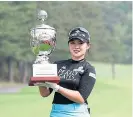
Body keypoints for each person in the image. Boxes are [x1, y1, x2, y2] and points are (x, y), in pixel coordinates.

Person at [36, 27, 96, 117]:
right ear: (69, 45)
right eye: (72, 43)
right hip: (56, 112)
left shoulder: (88, 69)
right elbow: (44, 93)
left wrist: (57, 88)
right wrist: (41, 80)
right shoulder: (57, 64)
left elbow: (81, 98)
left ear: (87, 46)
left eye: (80, 43)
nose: (76, 47)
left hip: (77, 113)